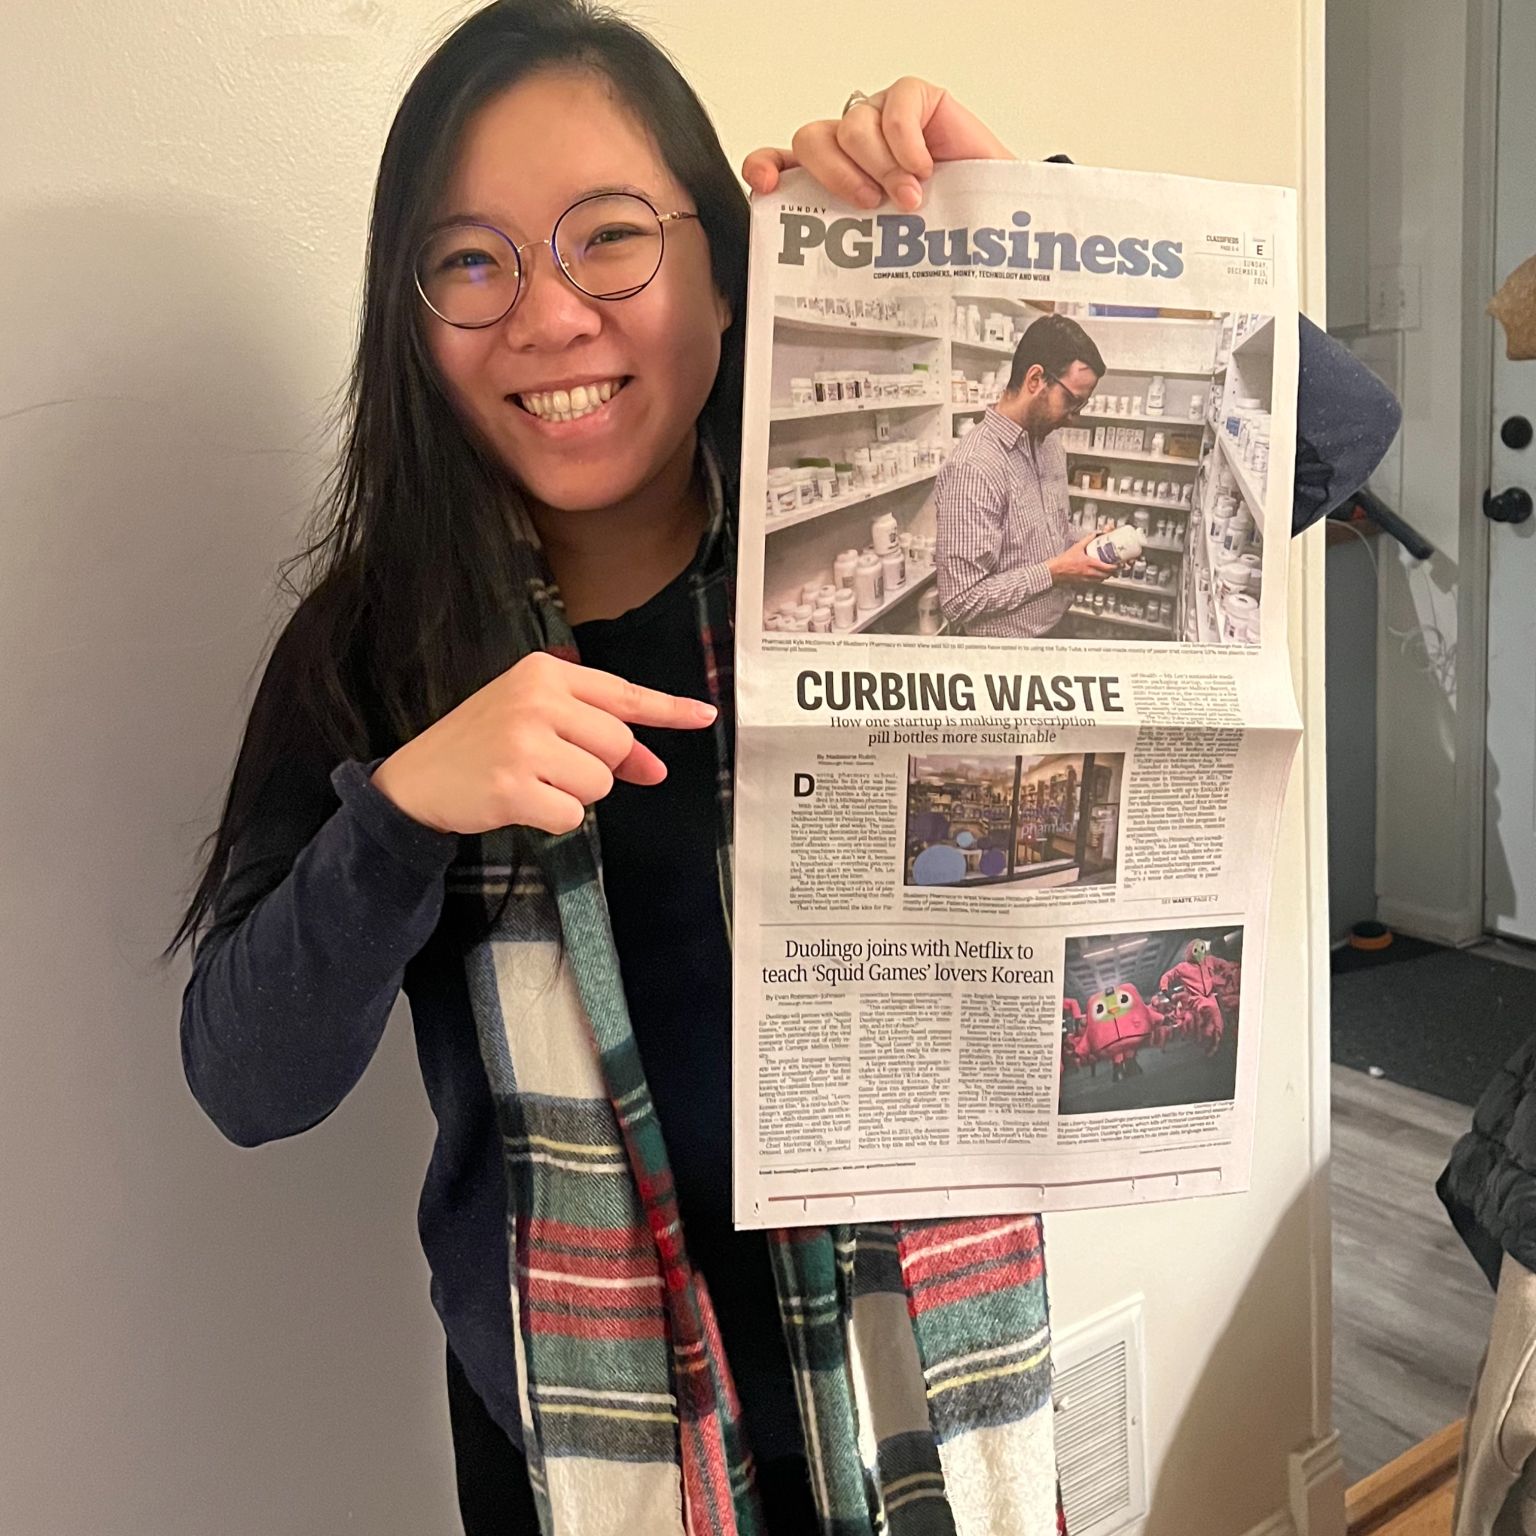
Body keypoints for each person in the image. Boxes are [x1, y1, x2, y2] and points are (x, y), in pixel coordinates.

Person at [166, 4, 1061, 1533]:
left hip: (923, 1389)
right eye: (471, 261)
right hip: (584, 1448)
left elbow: (1339, 436)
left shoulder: (887, 536)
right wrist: (400, 816)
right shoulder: (379, 641)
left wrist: (1010, 222)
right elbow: (244, 1080)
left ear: (725, 263)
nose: (548, 315)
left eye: (611, 239)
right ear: (413, 317)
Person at [934, 312, 1117, 637]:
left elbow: (1051, 532)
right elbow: (960, 599)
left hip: (1058, 624)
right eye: (1072, 401)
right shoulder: (975, 467)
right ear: (1035, 380)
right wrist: (1055, 572)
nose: (1073, 418)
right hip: (1007, 656)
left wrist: (1091, 546)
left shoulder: (1049, 443)